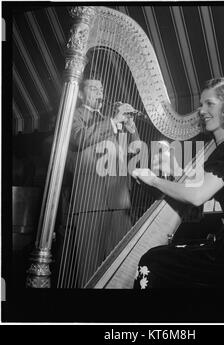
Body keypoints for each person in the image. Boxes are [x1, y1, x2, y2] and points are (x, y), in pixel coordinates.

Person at [132, 77, 224, 289]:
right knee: (159, 259)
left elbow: (197, 195)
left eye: (209, 103)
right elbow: (202, 186)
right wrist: (174, 169)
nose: (201, 110)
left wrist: (153, 179)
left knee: (152, 262)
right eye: (201, 104)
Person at [58, 77, 140, 288]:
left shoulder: (110, 120)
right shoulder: (73, 115)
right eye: (93, 88)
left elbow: (135, 151)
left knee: (125, 265)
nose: (99, 92)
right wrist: (113, 122)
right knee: (91, 270)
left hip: (119, 201)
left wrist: (131, 129)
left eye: (101, 88)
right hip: (90, 202)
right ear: (80, 94)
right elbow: (79, 137)